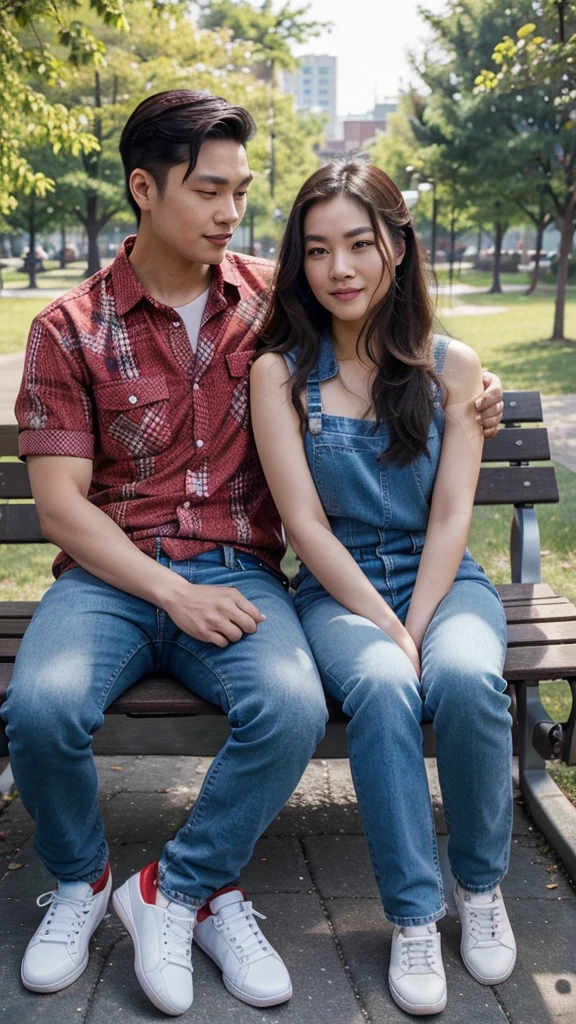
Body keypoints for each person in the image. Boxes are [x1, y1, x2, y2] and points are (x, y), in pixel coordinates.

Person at [1, 91, 503, 1017]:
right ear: (144, 189)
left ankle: (188, 886)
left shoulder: (276, 295)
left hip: (237, 571)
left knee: (289, 703)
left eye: (240, 190)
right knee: (39, 707)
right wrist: (168, 593)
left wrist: (473, 385)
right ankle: (81, 881)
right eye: (209, 190)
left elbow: (378, 318)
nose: (232, 211)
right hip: (111, 577)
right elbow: (63, 509)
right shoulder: (67, 330)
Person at [250, 156, 515, 1017]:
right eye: (319, 250)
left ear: (396, 247)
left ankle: (479, 889)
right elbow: (305, 527)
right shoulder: (281, 373)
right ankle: (413, 913)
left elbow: (450, 520)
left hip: (445, 581)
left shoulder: (453, 367)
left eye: (360, 245)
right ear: (300, 261)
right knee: (383, 680)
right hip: (336, 590)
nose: (341, 270)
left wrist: (422, 619)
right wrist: (387, 628)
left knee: (470, 679)